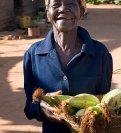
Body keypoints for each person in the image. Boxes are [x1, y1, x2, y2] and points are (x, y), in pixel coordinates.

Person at [23, 0, 113, 133]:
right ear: (48, 13)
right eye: (56, 4)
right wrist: (40, 107)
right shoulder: (33, 54)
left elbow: (105, 106)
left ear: (81, 12)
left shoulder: (100, 54)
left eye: (70, 3)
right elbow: (29, 107)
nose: (63, 9)